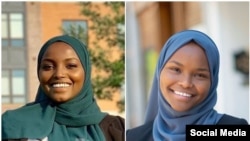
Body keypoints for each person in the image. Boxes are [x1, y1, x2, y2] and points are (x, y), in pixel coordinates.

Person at [126, 30, 248, 141]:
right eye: (176, 69)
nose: (186, 83)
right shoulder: (134, 137)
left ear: (213, 81)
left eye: (200, 75)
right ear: (159, 71)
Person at [2, 35, 125, 141]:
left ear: (86, 72)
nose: (59, 74)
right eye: (48, 67)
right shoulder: (12, 124)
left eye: (71, 65)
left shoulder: (117, 129)